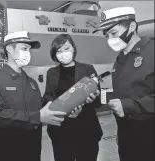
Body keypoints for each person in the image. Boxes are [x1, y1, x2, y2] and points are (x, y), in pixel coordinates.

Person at [0, 31, 69, 161]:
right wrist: (37, 116)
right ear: (9, 49)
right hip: (7, 152)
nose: (28, 53)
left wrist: (66, 110)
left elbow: (43, 108)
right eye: (24, 48)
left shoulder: (31, 82)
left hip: (33, 151)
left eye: (29, 49)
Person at [93, 7, 154, 161]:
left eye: (113, 33)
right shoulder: (120, 59)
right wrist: (97, 96)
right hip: (126, 136)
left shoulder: (152, 51)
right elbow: (123, 93)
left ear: (132, 27)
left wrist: (128, 106)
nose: (110, 40)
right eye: (106, 36)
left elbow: (127, 102)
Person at [42, 34, 103, 161]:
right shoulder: (51, 73)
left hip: (86, 130)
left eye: (66, 48)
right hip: (62, 132)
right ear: (55, 54)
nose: (63, 53)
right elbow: (48, 96)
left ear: (73, 49)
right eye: (59, 51)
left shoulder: (87, 69)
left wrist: (92, 99)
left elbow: (98, 100)